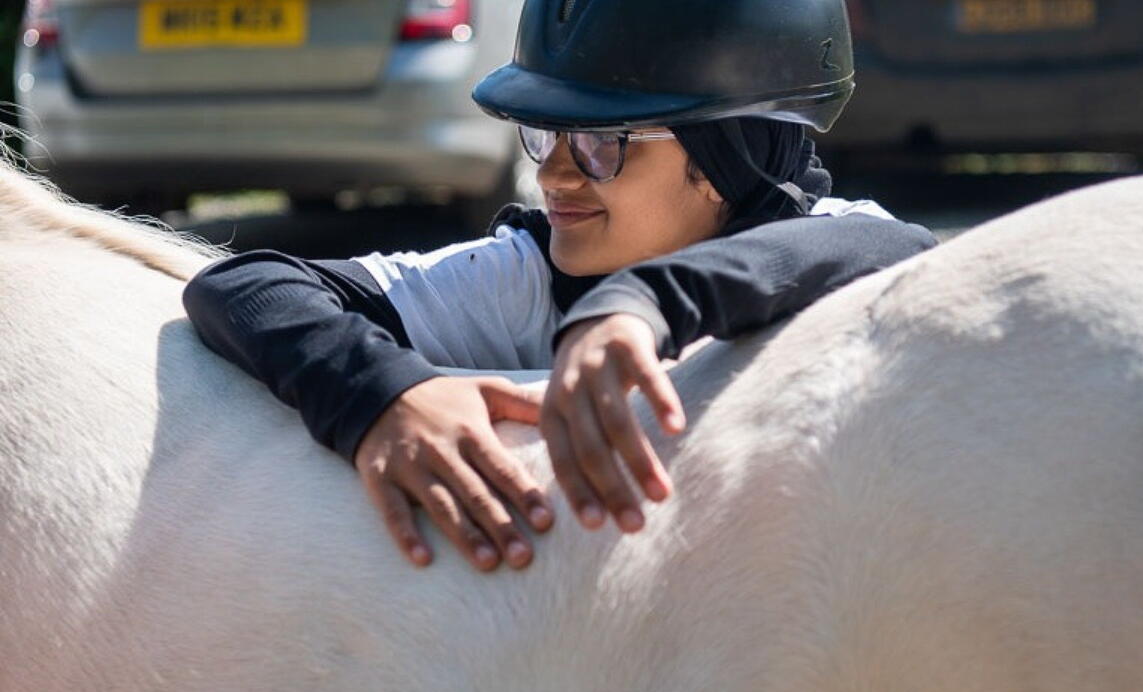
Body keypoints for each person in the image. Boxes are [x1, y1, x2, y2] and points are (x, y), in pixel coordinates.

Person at [182, 0, 938, 573]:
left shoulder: (848, 241)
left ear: (726, 156)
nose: (552, 174)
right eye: (542, 135)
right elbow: (247, 285)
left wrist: (640, 301)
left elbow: (895, 250)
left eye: (601, 144)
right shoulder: (533, 272)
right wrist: (381, 397)